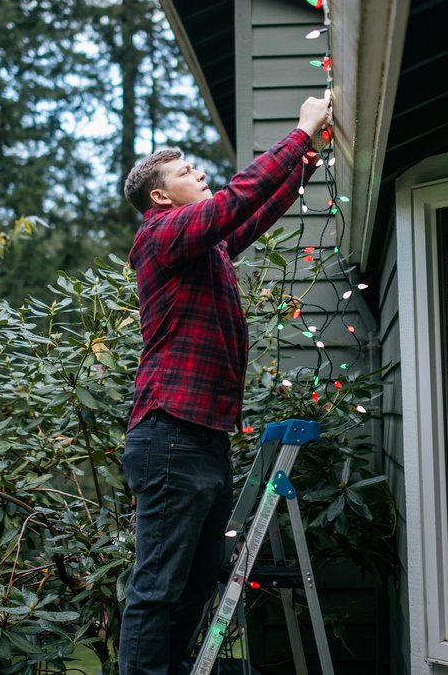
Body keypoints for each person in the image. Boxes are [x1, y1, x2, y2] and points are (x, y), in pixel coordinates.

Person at [117, 93, 333, 675]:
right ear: (161, 196)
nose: (201, 173)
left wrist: (307, 157)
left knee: (193, 589)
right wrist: (298, 132)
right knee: (158, 590)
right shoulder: (160, 235)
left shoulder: (203, 247)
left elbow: (253, 212)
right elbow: (236, 198)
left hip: (203, 440)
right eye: (187, 170)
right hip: (170, 436)